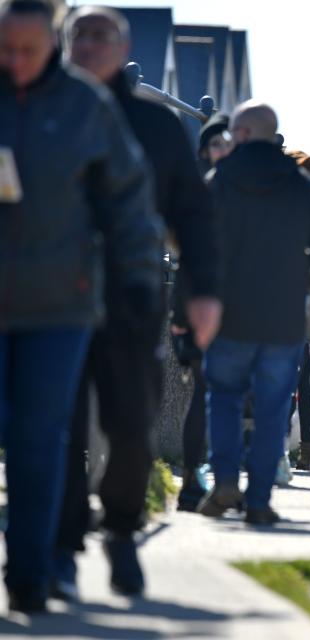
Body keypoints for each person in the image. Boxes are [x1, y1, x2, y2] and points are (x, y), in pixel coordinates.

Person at [53, 5, 221, 599]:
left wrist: (202, 292)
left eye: (103, 34)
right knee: (56, 424)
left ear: (121, 46)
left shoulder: (153, 125)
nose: (90, 44)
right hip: (50, 295)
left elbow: (193, 216)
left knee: (130, 420)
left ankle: (122, 532)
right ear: (66, 44)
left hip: (130, 293)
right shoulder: (43, 108)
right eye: (80, 34)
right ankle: (61, 544)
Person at [0, 0, 162, 613]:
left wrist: (143, 277)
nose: (15, 63)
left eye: (28, 52)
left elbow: (129, 199)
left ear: (53, 46)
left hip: (58, 307)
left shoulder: (83, 107)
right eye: (5, 50)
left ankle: (31, 574)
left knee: (40, 440)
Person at [198, 102, 310, 525]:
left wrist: (186, 309)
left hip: (228, 313)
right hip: (284, 317)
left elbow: (197, 249)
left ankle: (225, 476)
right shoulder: (302, 187)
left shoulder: (218, 181)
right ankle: (259, 498)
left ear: (240, 134)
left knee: (222, 398)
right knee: (273, 408)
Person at [173, 113, 234, 511]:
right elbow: (186, 259)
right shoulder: (199, 192)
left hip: (236, 304)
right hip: (202, 304)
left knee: (222, 394)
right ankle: (193, 475)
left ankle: (215, 474)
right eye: (215, 144)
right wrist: (179, 314)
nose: (221, 150)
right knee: (203, 393)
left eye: (227, 144)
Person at [285, 149, 310, 472]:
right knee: (299, 377)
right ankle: (303, 449)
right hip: (299, 302)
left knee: (308, 378)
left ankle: (309, 449)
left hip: (305, 303)